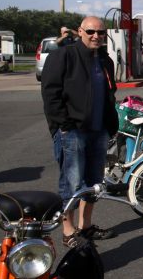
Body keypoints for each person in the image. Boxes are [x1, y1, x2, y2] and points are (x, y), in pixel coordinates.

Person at [41, 16, 119, 248]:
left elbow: (108, 94)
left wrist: (110, 125)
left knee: (94, 183)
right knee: (72, 184)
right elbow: (50, 93)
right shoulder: (63, 55)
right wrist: (63, 124)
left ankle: (85, 226)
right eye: (91, 31)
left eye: (101, 32)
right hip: (72, 131)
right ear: (80, 32)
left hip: (99, 131)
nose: (96, 36)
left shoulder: (105, 60)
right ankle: (68, 231)